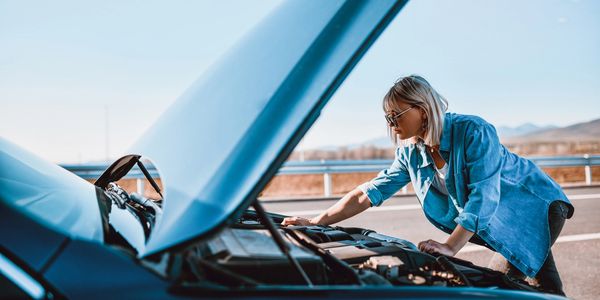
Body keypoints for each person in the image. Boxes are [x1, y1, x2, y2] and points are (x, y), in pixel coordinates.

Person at [281, 75, 574, 295]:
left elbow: (484, 195)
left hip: (534, 206)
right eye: (387, 116)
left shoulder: (473, 131)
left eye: (396, 114)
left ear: (422, 109)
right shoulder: (411, 151)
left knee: (506, 285)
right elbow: (368, 193)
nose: (390, 122)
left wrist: (450, 246)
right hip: (492, 220)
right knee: (530, 286)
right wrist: (316, 222)